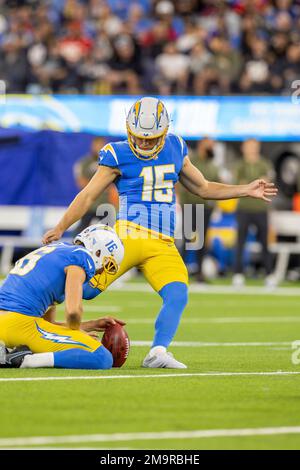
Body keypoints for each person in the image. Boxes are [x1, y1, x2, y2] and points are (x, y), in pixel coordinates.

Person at [43, 97, 277, 369]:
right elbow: (87, 196)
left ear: (164, 132)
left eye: (150, 138)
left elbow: (203, 187)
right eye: (139, 137)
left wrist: (244, 189)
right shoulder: (116, 153)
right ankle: (31, 321)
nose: (143, 143)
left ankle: (157, 351)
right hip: (127, 238)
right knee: (83, 290)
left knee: (178, 293)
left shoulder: (175, 147)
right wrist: (61, 226)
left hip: (163, 243)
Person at [0, 224, 124, 369]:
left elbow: (47, 325)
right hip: (17, 325)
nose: (101, 271)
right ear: (98, 253)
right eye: (106, 265)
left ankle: (9, 351)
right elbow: (73, 312)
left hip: (10, 323)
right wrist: (78, 332)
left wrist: (90, 325)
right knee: (101, 357)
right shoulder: (82, 258)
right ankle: (24, 360)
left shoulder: (59, 250)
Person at [232, 138, 276, 288]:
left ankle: (269, 274)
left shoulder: (264, 163)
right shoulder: (239, 164)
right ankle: (238, 274)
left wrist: (249, 183)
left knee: (265, 242)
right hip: (243, 208)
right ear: (244, 148)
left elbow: (267, 180)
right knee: (240, 242)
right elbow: (238, 184)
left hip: (261, 208)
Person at [181, 137, 220, 283]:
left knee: (202, 241)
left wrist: (215, 205)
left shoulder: (212, 164)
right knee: (187, 239)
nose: (211, 147)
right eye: (209, 144)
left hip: (206, 207)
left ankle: (199, 272)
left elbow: (215, 183)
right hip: (191, 205)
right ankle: (180, 270)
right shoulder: (192, 161)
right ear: (201, 145)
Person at [73, 136, 117, 235]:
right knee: (80, 231)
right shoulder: (85, 162)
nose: (99, 147)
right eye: (97, 145)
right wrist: (99, 185)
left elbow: (114, 184)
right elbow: (81, 181)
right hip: (90, 204)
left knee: (111, 231)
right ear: (92, 146)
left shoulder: (109, 162)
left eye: (101, 145)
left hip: (106, 204)